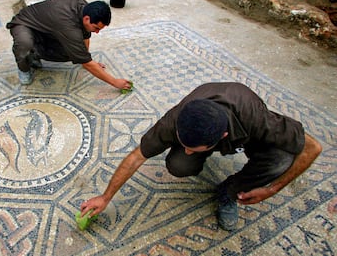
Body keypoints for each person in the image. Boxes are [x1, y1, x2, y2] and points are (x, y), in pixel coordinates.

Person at [80, 82, 322, 231]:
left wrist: (272, 189)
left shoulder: (258, 120)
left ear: (222, 137)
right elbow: (135, 157)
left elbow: (313, 148)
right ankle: (200, 159)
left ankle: (228, 192)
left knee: (280, 160)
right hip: (212, 121)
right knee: (179, 164)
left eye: (193, 148)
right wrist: (106, 197)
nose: (185, 149)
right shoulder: (174, 121)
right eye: (183, 143)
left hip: (247, 127)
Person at [6, 0, 131, 89]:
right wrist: (115, 82)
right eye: (96, 28)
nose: (97, 32)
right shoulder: (68, 25)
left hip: (46, 30)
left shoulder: (84, 8)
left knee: (72, 53)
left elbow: (85, 38)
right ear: (87, 19)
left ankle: (35, 53)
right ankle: (24, 66)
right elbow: (86, 63)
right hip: (24, 24)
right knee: (25, 44)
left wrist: (87, 58)